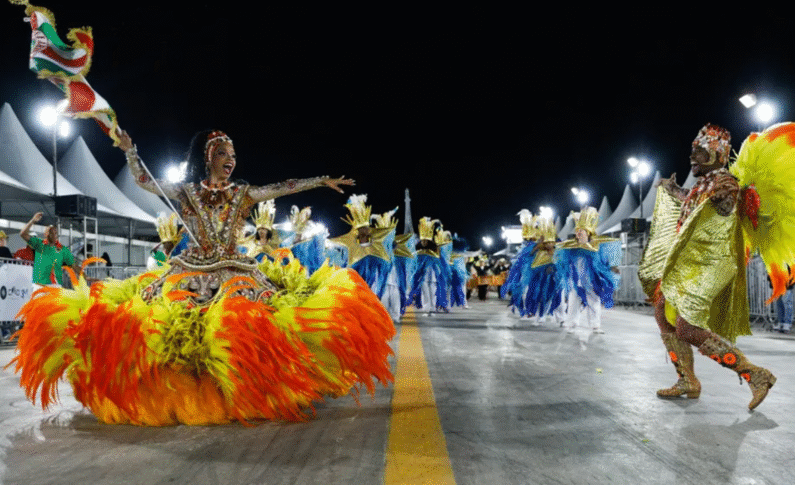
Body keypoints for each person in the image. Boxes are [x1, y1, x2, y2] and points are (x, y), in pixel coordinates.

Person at [12, 129, 395, 426]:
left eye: (233, 155)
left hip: (234, 268)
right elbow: (146, 182)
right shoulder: (188, 191)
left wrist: (321, 180)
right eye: (224, 154)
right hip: (190, 268)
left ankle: (250, 386)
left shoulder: (243, 193)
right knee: (167, 326)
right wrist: (129, 150)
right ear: (209, 157)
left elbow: (283, 186)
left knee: (253, 323)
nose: (231, 160)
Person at [639, 123, 781, 410]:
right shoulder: (701, 185)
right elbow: (689, 205)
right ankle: (687, 380)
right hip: (690, 263)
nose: (693, 158)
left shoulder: (725, 182)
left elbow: (727, 205)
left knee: (687, 327)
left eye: (701, 153)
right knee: (661, 310)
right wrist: (674, 189)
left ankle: (754, 374)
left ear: (718, 156)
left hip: (711, 263)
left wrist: (723, 200)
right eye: (692, 152)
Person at [555, 207, 621, 335]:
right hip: (576, 280)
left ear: (589, 233)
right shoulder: (571, 247)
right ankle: (571, 323)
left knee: (594, 301)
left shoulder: (596, 245)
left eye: (582, 231)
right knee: (573, 301)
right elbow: (562, 257)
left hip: (592, 280)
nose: (579, 233)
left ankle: (595, 326)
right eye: (577, 231)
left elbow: (604, 260)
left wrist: (612, 268)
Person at [19, 212, 76, 288]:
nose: (54, 235)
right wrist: (33, 221)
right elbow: (23, 234)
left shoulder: (63, 249)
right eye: (51, 233)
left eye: (55, 233)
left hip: (55, 286)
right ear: (45, 234)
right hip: (39, 286)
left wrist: (85, 276)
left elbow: (74, 265)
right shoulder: (39, 244)